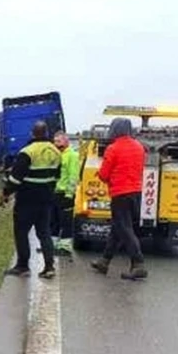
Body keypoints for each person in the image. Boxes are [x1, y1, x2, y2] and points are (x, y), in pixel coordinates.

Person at [0, 120, 62, 279]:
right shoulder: (56, 152)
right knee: (44, 233)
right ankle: (49, 267)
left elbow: (15, 179)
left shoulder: (27, 152)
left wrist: (6, 193)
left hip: (27, 200)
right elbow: (57, 176)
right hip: (46, 200)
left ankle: (23, 266)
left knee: (21, 232)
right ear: (47, 133)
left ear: (32, 134)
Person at [91, 117, 148, 280]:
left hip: (120, 193)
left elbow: (103, 174)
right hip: (136, 192)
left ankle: (138, 264)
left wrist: (103, 175)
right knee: (117, 229)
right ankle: (104, 261)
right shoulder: (139, 147)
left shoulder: (113, 148)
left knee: (125, 230)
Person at [52, 131, 79, 255]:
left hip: (65, 193)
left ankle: (65, 247)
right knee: (53, 221)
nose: (56, 144)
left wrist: (69, 194)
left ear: (66, 141)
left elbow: (73, 176)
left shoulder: (72, 155)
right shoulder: (55, 154)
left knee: (66, 221)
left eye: (59, 141)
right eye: (55, 141)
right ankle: (51, 245)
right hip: (54, 193)